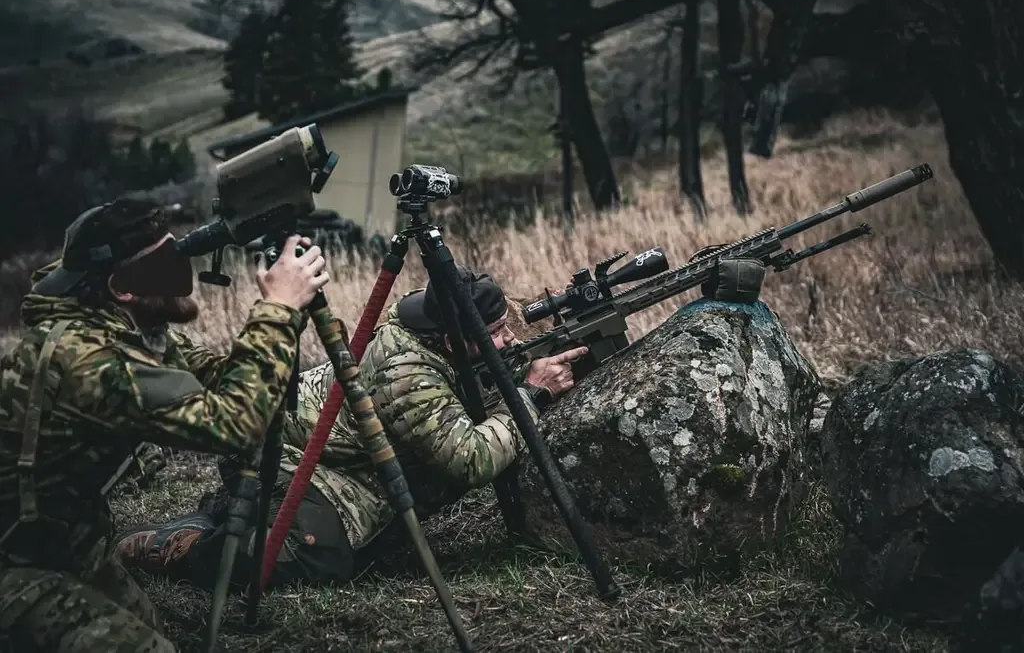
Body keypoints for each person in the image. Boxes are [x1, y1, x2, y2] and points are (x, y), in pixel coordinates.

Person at [116, 256, 765, 591]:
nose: (508, 338)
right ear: (453, 339)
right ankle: (171, 541)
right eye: (495, 331)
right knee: (304, 564)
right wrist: (533, 395)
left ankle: (233, 509)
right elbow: (472, 457)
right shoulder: (406, 372)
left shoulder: (441, 340)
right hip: (303, 470)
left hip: (341, 466)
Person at [0, 196, 329, 652]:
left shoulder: (125, 330)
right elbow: (235, 425)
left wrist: (280, 316)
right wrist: (279, 310)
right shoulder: (91, 362)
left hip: (62, 541)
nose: (182, 275)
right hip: (14, 558)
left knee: (150, 626)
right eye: (164, 264)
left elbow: (218, 379)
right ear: (123, 287)